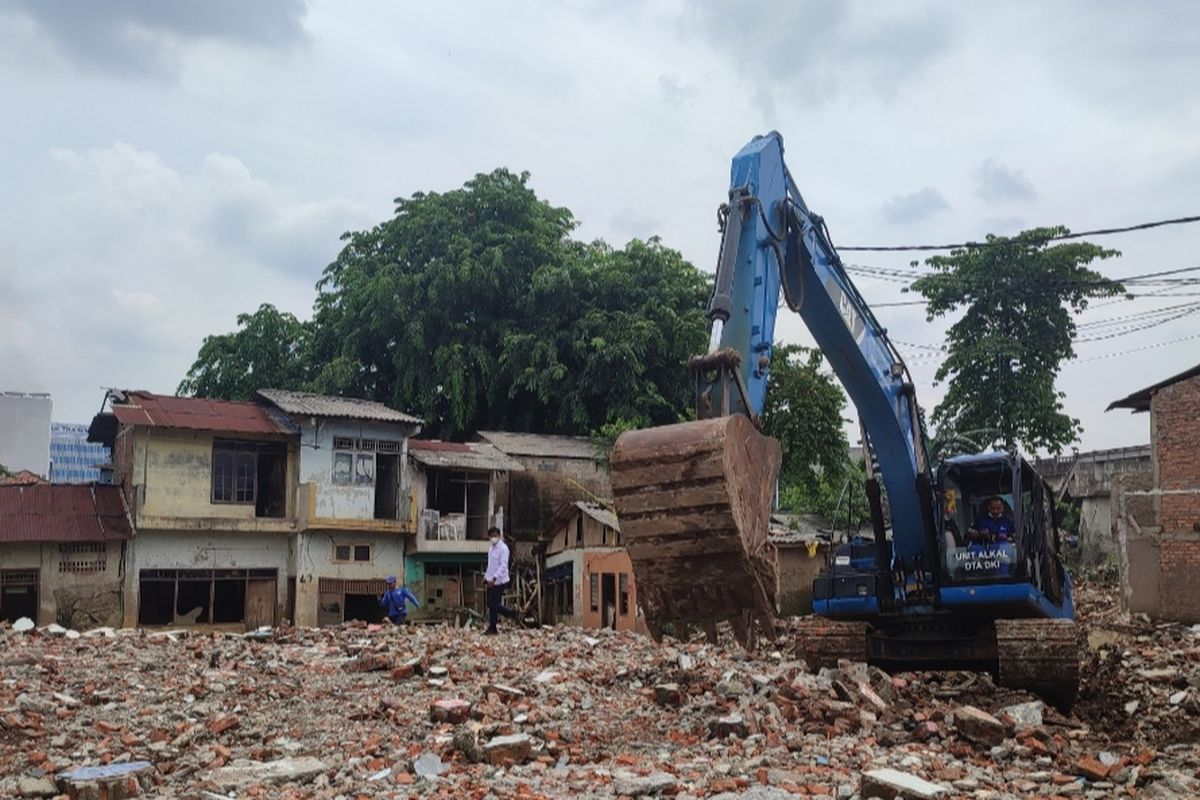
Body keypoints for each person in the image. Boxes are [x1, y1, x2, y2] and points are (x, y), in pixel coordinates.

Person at [483, 526, 520, 635]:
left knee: (492, 602)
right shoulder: (491, 549)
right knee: (490, 603)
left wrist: (495, 578)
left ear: (499, 536)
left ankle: (493, 627)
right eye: (491, 536)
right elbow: (491, 566)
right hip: (491, 580)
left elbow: (503, 565)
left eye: (495, 536)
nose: (493, 538)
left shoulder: (504, 548)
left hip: (501, 580)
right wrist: (486, 577)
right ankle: (510, 613)